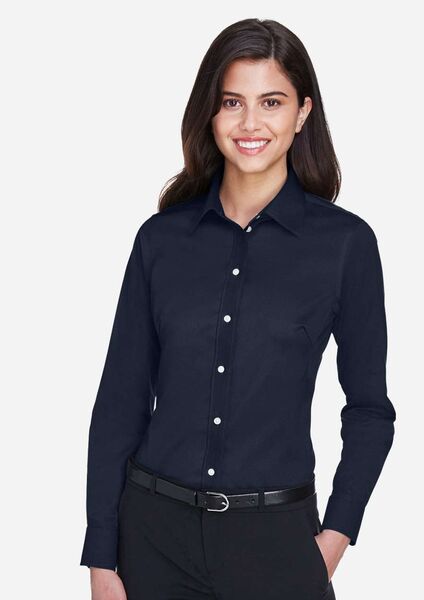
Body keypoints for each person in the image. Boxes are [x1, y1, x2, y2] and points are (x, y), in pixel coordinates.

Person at [80, 17, 396, 600]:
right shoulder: (160, 241)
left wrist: (334, 538)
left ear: (302, 113)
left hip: (277, 543)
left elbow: (370, 410)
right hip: (152, 539)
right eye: (232, 102)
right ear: (210, 113)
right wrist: (102, 558)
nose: (251, 123)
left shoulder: (345, 245)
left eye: (271, 102)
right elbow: (119, 404)